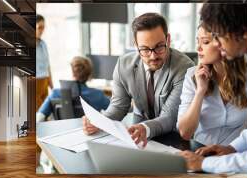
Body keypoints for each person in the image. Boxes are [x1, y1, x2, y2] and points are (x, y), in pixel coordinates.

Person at [82, 13, 194, 146]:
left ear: (168, 40)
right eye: (145, 49)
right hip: (137, 132)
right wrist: (98, 121)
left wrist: (145, 128)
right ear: (136, 45)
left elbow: (169, 117)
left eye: (159, 47)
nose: (153, 56)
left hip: (173, 137)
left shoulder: (184, 67)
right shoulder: (123, 65)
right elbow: (118, 107)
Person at [179, 3, 247, 173]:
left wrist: (229, 151)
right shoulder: (193, 75)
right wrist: (200, 91)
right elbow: (185, 132)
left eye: (207, 41)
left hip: (231, 162)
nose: (218, 44)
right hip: (205, 152)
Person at [36, 56, 110, 122]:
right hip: (90, 135)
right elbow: (115, 112)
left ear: (72, 73)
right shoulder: (98, 94)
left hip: (61, 134)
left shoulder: (55, 93)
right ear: (89, 74)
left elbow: (39, 118)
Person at [36, 14, 53, 111]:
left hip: (45, 82)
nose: (42, 30)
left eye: (43, 27)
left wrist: (52, 87)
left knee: (45, 113)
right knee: (38, 114)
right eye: (39, 27)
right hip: (36, 83)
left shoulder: (43, 44)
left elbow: (48, 66)